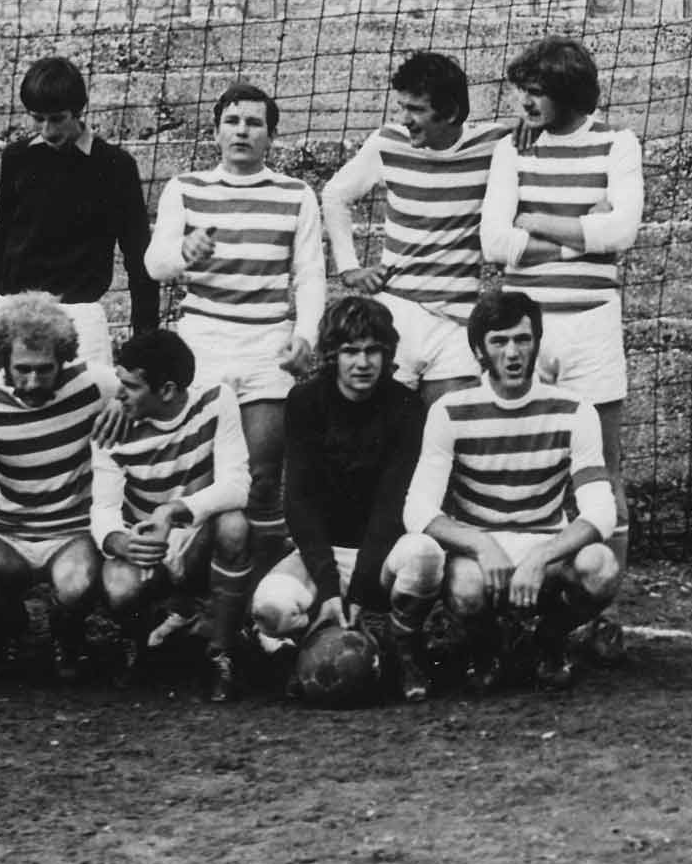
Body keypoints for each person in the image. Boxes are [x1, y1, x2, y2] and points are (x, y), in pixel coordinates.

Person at [480, 35, 642, 661]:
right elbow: (494, 243)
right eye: (522, 90)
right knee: (524, 463)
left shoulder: (618, 143)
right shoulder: (512, 149)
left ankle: (601, 610)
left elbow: (622, 231)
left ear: (570, 94)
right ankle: (516, 608)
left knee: (603, 471)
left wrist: (536, 222)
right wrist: (581, 231)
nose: (525, 102)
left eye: (538, 92)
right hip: (531, 326)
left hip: (594, 325)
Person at [401, 290, 623, 692]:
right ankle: (486, 646)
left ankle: (548, 638)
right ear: (479, 351)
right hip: (481, 555)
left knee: (602, 567)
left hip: (547, 548)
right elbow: (418, 509)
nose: (512, 353)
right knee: (466, 589)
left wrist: (542, 555)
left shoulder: (575, 410)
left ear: (537, 342)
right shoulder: (449, 411)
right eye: (499, 342)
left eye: (522, 339)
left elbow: (601, 512)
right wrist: (481, 545)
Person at [144, 82, 326, 571]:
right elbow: (155, 264)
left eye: (254, 123)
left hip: (265, 344)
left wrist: (305, 335)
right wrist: (184, 253)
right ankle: (192, 585)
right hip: (203, 343)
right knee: (201, 472)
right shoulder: (185, 188)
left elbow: (310, 274)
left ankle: (255, 589)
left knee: (261, 476)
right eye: (232, 121)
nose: (242, 131)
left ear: (271, 136)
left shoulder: (296, 194)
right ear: (216, 131)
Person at [250, 296, 442, 701]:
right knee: (270, 608)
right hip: (323, 551)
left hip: (383, 551)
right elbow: (298, 501)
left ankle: (402, 646)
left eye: (373, 350)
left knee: (425, 554)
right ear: (332, 355)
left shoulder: (406, 407)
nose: (362, 363)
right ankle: (309, 647)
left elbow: (392, 504)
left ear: (387, 354)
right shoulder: (305, 401)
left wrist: (359, 593)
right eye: (351, 351)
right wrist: (328, 588)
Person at [0, 291, 113, 683]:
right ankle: (3, 622)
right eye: (22, 369)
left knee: (76, 586)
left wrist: (123, 405)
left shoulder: (95, 385)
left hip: (72, 531)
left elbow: (144, 399)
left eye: (44, 369)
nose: (33, 381)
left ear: (63, 359)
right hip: (9, 533)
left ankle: (67, 634)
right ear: (3, 362)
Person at [322, 51, 512, 406]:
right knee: (385, 431)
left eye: (416, 109)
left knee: (451, 428)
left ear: (450, 113)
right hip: (396, 313)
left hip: (456, 322)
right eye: (402, 107)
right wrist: (348, 268)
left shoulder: (496, 144)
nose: (405, 119)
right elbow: (335, 196)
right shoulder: (387, 143)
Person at [91, 329, 251, 702]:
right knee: (118, 588)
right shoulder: (111, 430)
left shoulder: (216, 401)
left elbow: (237, 485)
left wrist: (171, 511)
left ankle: (221, 652)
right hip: (147, 542)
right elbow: (103, 509)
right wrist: (122, 542)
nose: (118, 395)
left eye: (130, 386)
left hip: (196, 536)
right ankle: (142, 643)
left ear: (166, 390)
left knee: (234, 526)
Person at [0, 55, 160, 367]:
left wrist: (145, 336)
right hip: (14, 310)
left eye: (57, 119)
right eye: (38, 119)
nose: (47, 130)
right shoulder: (17, 158)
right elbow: (2, 237)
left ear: (78, 110)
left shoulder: (115, 165)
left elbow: (138, 255)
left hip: (79, 315)